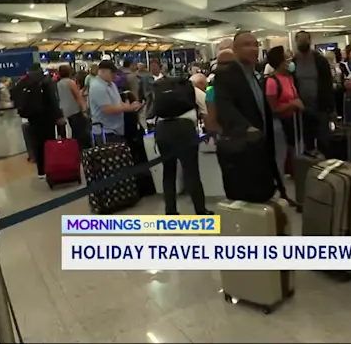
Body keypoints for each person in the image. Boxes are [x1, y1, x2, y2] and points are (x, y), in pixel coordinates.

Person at [214, 32, 282, 202]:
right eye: (247, 45)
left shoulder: (254, 74)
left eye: (255, 44)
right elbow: (224, 107)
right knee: (250, 195)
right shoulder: (226, 74)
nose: (253, 49)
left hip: (261, 144)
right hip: (244, 147)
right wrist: (246, 127)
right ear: (235, 50)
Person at [154, 73, 213, 216]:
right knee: (191, 171)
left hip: (162, 130)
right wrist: (210, 133)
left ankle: (170, 210)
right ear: (200, 83)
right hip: (184, 130)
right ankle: (200, 210)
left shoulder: (162, 91)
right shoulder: (195, 91)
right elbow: (206, 113)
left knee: (168, 172)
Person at [17, 64, 65, 179]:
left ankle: (41, 171)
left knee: (37, 143)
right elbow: (53, 99)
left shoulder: (23, 82)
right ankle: (52, 167)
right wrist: (59, 116)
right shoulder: (45, 81)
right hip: (47, 117)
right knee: (49, 143)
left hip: (32, 117)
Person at [292, 31, 335, 155]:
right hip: (303, 110)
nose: (302, 43)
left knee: (324, 142)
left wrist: (331, 108)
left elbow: (328, 85)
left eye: (305, 40)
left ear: (310, 41)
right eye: (300, 40)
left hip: (320, 107)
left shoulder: (320, 61)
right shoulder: (294, 62)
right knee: (307, 143)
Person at [264, 46, 302, 179]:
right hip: (279, 124)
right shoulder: (272, 82)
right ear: (280, 62)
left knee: (293, 151)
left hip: (293, 121)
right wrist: (292, 104)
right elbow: (273, 108)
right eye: (287, 59)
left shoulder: (290, 78)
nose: (290, 61)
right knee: (280, 155)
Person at [88, 60, 140, 143]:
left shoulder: (111, 85)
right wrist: (128, 108)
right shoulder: (97, 87)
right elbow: (108, 109)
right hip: (105, 132)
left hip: (117, 130)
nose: (114, 75)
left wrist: (130, 106)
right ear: (102, 71)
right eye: (112, 73)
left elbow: (117, 102)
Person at [56, 65, 90, 149]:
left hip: (65, 111)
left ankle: (74, 150)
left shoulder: (58, 84)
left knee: (73, 133)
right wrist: (84, 110)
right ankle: (82, 151)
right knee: (80, 133)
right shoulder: (71, 82)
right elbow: (77, 96)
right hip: (75, 110)